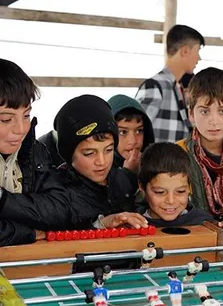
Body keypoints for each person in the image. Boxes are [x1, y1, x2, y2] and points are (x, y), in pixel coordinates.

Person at [0, 95, 143, 237]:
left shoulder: (123, 179)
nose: (101, 161)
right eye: (89, 153)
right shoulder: (56, 191)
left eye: (108, 150)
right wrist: (99, 225)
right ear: (68, 155)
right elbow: (46, 217)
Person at [177, 67, 223, 220]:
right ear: (191, 114)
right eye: (205, 111)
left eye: (222, 111)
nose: (214, 120)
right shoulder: (176, 154)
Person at [0, 59, 54, 246]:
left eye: (26, 115)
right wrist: (30, 232)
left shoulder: (34, 151)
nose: (21, 129)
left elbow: (58, 210)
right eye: (6, 119)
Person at [136, 24, 204, 142]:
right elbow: (135, 131)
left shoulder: (178, 88)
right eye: (197, 51)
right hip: (156, 160)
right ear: (185, 51)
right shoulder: (155, 86)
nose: (199, 58)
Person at [137, 142, 213, 227]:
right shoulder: (132, 224)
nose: (171, 201)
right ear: (142, 187)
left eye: (180, 191)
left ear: (189, 188)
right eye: (160, 192)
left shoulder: (206, 223)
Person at [107, 94, 155, 173]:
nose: (133, 141)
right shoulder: (99, 172)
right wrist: (128, 173)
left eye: (139, 131)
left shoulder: (155, 167)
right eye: (123, 132)